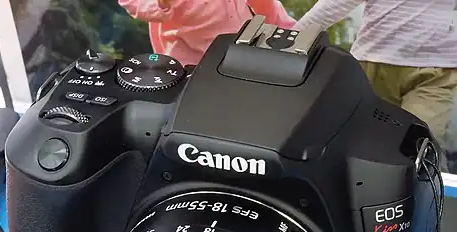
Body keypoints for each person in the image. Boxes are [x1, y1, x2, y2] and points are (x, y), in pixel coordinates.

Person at [294, 0, 457, 171]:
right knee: (355, 145)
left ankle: (432, 185)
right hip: (373, 64)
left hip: (433, 71)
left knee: (422, 147)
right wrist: (295, 38)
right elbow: (337, 3)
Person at [118, 0, 295, 67]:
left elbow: (266, 6)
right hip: (191, 66)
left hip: (242, 54)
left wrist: (290, 31)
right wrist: (162, 2)